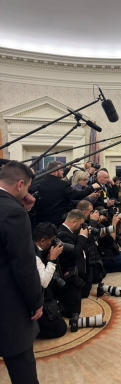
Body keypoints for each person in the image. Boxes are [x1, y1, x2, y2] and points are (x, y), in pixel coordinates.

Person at [0, 161, 43, 384]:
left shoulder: (14, 209)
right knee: (22, 369)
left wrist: (23, 207)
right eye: (26, 187)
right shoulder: (12, 212)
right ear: (19, 184)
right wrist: (36, 301)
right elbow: (24, 264)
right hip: (8, 305)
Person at [33, 161, 101, 228]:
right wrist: (91, 187)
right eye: (61, 170)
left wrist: (68, 168)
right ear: (54, 172)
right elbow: (78, 195)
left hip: (39, 223)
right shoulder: (63, 185)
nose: (63, 171)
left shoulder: (37, 184)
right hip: (58, 223)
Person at [33, 222, 68, 339]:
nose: (53, 243)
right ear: (42, 241)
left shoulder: (33, 247)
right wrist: (52, 260)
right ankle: (32, 331)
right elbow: (44, 282)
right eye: (52, 241)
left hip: (41, 296)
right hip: (34, 299)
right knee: (61, 329)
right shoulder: (34, 256)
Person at [54, 209, 89, 325]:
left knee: (84, 292)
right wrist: (83, 237)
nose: (81, 227)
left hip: (74, 272)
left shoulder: (69, 232)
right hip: (67, 276)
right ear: (74, 221)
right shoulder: (63, 234)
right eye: (80, 224)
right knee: (73, 312)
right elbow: (75, 252)